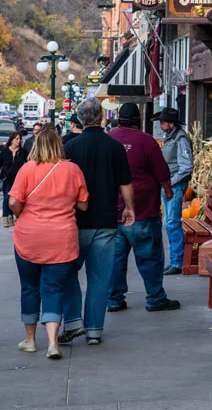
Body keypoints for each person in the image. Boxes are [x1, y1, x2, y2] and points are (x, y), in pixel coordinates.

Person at [8, 125, 89, 359]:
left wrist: (23, 212)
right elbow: (83, 204)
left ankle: (31, 340)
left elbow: (13, 201)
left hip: (29, 238)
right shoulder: (72, 170)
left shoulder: (26, 169)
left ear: (36, 146)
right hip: (62, 238)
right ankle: (53, 343)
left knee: (30, 288)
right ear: (58, 145)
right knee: (54, 289)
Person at [60, 97, 135, 346]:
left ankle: (72, 322)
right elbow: (125, 182)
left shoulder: (70, 147)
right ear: (101, 118)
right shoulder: (114, 147)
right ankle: (94, 331)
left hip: (74, 222)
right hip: (105, 221)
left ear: (80, 119)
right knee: (99, 279)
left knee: (69, 274)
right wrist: (129, 209)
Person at [106, 102, 180, 312]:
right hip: (142, 210)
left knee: (116, 260)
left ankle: (114, 299)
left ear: (119, 118)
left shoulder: (109, 139)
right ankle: (155, 298)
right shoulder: (146, 141)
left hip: (114, 211)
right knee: (149, 256)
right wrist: (168, 190)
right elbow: (162, 171)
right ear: (138, 120)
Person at [154, 107, 193, 276]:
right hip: (169, 186)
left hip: (174, 187)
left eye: (163, 123)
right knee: (169, 223)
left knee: (172, 223)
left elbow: (186, 167)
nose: (161, 126)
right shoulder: (172, 137)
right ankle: (174, 260)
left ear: (171, 124)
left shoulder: (181, 139)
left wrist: (170, 182)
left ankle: (177, 261)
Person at [0, 130, 27, 227]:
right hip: (6, 178)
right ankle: (6, 217)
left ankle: (12, 216)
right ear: (11, 140)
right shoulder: (5, 151)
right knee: (6, 198)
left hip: (18, 179)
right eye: (16, 139)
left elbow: (27, 163)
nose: (18, 141)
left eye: (20, 139)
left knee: (16, 199)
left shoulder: (22, 152)